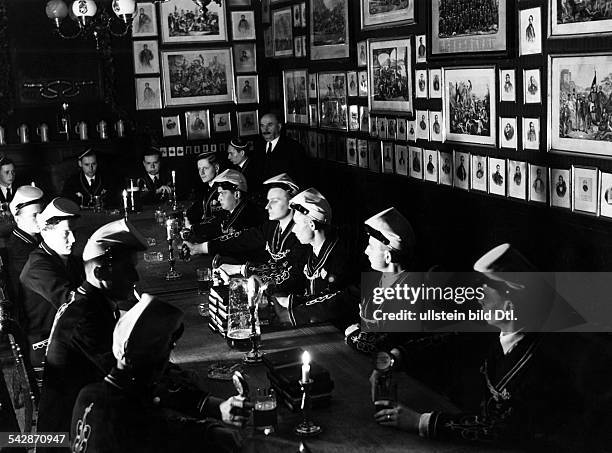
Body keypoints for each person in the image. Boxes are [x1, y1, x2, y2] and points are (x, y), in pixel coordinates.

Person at [372, 244, 597, 450]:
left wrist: (420, 421)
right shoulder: (495, 329)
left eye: (485, 290)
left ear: (509, 304)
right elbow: (447, 342)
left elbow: (501, 429)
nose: (477, 296)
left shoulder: (544, 362)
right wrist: (392, 359)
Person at [70, 295, 247, 452]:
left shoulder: (88, 394)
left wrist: (213, 410)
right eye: (165, 350)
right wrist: (213, 432)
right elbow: (167, 432)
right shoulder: (131, 414)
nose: (165, 362)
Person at [37, 219, 148, 450]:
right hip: (71, 439)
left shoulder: (91, 302)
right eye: (128, 270)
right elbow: (122, 375)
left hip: (87, 418)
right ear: (100, 272)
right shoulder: (86, 317)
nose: (136, 279)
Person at [184, 174, 308, 293]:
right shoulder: (272, 226)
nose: (267, 207)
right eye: (268, 201)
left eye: (274, 201)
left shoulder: (303, 234)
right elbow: (241, 239)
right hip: (268, 290)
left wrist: (241, 269)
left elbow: (289, 276)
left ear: (292, 202)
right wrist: (199, 248)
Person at [273, 188, 357, 327]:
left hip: (336, 330)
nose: (293, 230)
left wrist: (292, 302)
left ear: (312, 225)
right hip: (314, 324)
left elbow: (333, 300)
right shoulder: (307, 250)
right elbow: (293, 275)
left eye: (297, 223)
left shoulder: (340, 258)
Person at [19, 198, 84, 375]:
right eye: (66, 233)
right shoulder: (38, 267)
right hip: (46, 348)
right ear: (46, 232)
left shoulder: (66, 258)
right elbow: (72, 304)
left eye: (74, 231)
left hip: (68, 337)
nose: (73, 239)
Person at [345, 208, 418, 353]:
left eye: (371, 247)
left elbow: (385, 343)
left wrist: (353, 336)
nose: (366, 251)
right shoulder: (376, 279)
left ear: (388, 257)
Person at [5, 186, 44, 324]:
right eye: (34, 215)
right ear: (17, 218)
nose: (40, 219)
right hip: (32, 315)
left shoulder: (36, 237)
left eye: (41, 213)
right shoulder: (18, 248)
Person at [208, 169, 264, 239]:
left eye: (222, 193)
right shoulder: (226, 213)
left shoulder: (248, 219)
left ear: (237, 194)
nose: (219, 199)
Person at [259, 112, 308, 184]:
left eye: (270, 125)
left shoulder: (294, 147)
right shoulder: (258, 146)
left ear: (279, 126)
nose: (265, 129)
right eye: (262, 126)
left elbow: (302, 178)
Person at [185, 151, 223, 227]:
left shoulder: (222, 189)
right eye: (199, 169)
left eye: (205, 168)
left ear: (216, 168)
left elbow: (217, 222)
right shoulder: (209, 187)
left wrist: (192, 227)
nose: (201, 173)